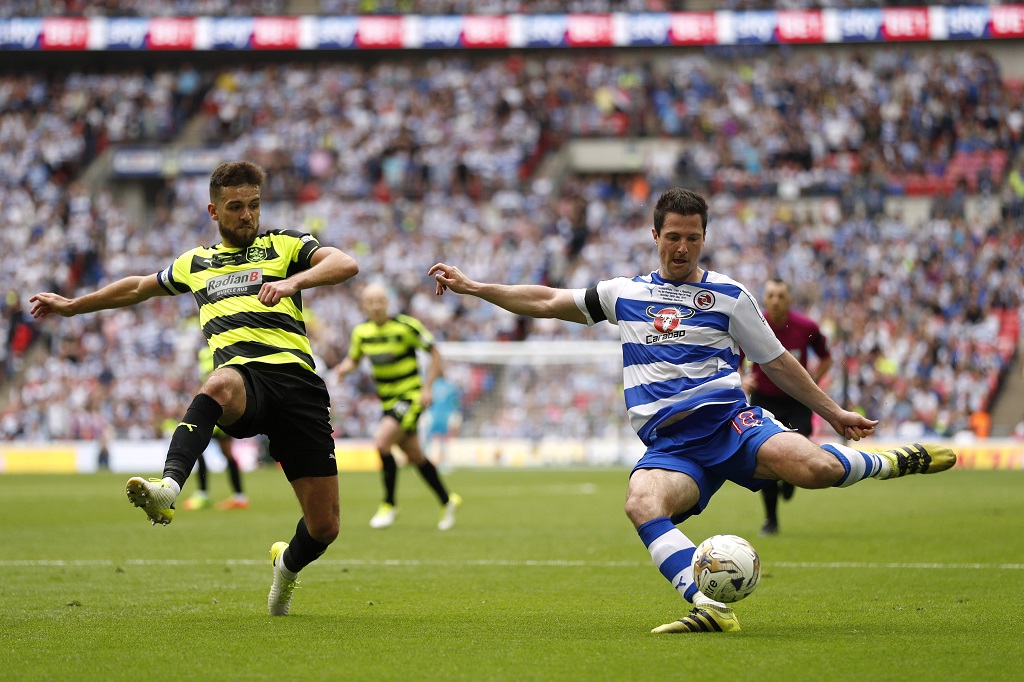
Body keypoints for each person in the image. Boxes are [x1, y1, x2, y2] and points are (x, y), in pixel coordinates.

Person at [428, 187, 956, 634]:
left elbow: (776, 361)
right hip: (672, 448)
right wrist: (475, 288)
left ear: (704, 238)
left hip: (732, 426)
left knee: (817, 468)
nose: (682, 247)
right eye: (673, 236)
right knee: (641, 503)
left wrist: (835, 412)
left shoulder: (728, 296)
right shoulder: (623, 294)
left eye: (693, 237)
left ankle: (894, 461)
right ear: (654, 236)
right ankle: (707, 606)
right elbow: (546, 301)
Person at [30, 161, 359, 617]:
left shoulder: (285, 245)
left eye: (254, 206)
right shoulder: (195, 263)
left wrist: (294, 281)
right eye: (236, 207)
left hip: (299, 386)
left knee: (324, 527)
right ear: (214, 210)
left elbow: (346, 263)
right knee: (220, 381)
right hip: (246, 382)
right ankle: (168, 487)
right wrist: (73, 307)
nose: (247, 215)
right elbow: (139, 288)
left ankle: (285, 567)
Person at [334, 283, 461, 531]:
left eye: (381, 300)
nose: (377, 305)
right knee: (414, 455)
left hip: (410, 397)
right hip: (388, 401)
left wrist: (427, 388)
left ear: (387, 303)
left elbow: (435, 353)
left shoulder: (405, 327)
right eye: (371, 301)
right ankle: (447, 501)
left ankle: (389, 504)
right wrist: (343, 368)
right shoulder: (362, 333)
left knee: (382, 442)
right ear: (364, 306)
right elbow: (354, 359)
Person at [742, 277, 832, 537]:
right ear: (764, 299)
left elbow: (826, 356)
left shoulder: (806, 326)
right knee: (765, 459)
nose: (776, 301)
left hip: (797, 400)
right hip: (763, 399)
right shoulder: (753, 324)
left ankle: (792, 478)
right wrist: (741, 376)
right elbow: (734, 353)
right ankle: (770, 520)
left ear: (789, 299)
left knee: (799, 447)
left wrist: (812, 380)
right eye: (771, 296)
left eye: (781, 296)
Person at [182, 344, 250, 511]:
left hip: (219, 409)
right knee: (211, 451)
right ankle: (233, 496)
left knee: (209, 450)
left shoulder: (222, 350)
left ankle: (209, 495)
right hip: (214, 407)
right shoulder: (207, 352)